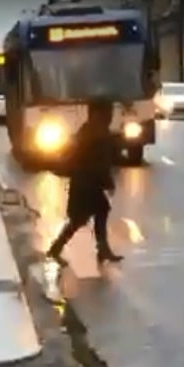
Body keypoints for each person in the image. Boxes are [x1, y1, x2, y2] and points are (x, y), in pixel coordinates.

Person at [47, 99, 123, 266]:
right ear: (97, 114)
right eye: (107, 113)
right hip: (86, 183)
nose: (110, 116)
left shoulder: (94, 130)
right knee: (82, 218)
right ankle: (57, 249)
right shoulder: (94, 133)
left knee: (92, 214)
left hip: (87, 182)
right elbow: (96, 161)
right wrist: (107, 181)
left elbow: (104, 160)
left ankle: (101, 249)